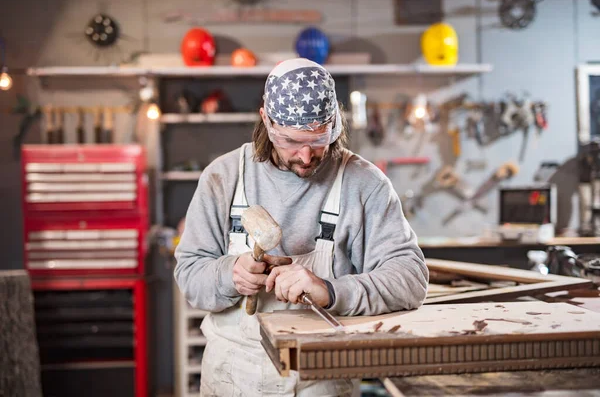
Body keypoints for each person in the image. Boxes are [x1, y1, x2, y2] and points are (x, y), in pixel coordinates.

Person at [174, 57, 429, 396]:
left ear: (335, 123)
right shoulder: (224, 177)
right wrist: (229, 274)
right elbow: (189, 274)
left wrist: (331, 291)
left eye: (319, 139)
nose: (306, 156)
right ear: (266, 121)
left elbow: (410, 279)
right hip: (233, 378)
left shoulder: (363, 184)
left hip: (323, 381)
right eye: (292, 141)